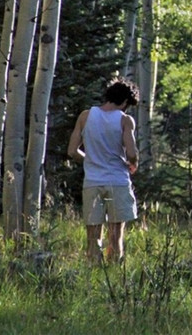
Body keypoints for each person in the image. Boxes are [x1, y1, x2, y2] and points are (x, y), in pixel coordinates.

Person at [68, 77, 140, 263]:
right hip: (117, 181)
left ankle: (93, 271)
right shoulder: (125, 120)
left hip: (92, 182)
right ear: (125, 102)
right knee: (116, 235)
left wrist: (90, 159)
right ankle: (114, 273)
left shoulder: (85, 116)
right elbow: (131, 153)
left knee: (93, 236)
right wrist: (133, 163)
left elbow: (72, 151)